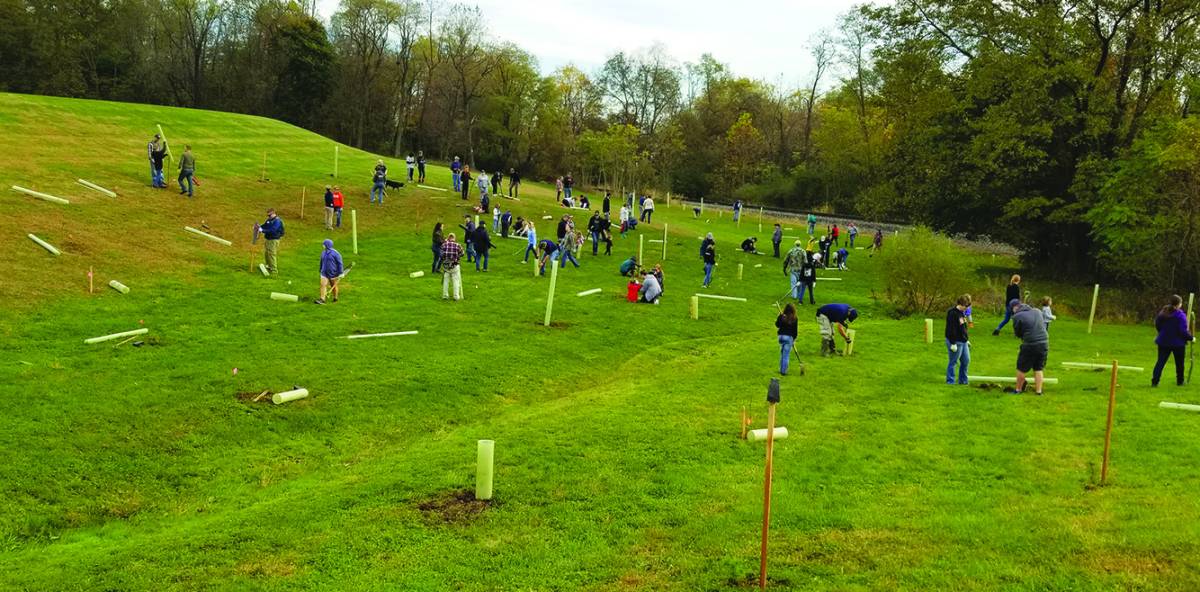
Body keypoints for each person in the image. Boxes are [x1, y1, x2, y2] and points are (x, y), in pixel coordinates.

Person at [1010, 298, 1049, 395]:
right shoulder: (1037, 311)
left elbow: (1017, 333)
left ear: (1015, 308)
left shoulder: (1017, 316)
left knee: (1021, 368)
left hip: (1030, 344)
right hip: (1044, 342)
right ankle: (1039, 392)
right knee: (1038, 368)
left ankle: (1018, 390)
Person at [1153, 295, 1193, 387]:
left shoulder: (1163, 312)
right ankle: (1180, 381)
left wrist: (1163, 332)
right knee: (1179, 363)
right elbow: (1183, 331)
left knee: (1160, 362)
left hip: (1163, 341)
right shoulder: (1180, 316)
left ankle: (1155, 381)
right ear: (1178, 304)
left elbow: (1157, 324)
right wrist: (1191, 338)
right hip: (1178, 343)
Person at [945, 294, 971, 385]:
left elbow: (963, 327)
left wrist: (966, 339)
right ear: (961, 304)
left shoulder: (962, 313)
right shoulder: (952, 313)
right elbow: (951, 329)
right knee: (953, 361)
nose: (967, 308)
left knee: (966, 360)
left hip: (963, 341)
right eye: (966, 306)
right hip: (955, 342)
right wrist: (952, 343)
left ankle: (963, 381)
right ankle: (950, 381)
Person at [315, 239, 343, 305]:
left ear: (327, 245)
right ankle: (322, 299)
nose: (323, 245)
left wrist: (341, 273)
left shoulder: (336, 253)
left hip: (333, 273)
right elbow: (321, 261)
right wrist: (320, 269)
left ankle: (335, 297)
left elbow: (340, 263)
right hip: (324, 272)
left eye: (324, 244)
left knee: (333, 285)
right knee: (323, 285)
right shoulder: (323, 252)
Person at [258, 208, 285, 274]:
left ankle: (274, 270)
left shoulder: (277, 221)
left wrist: (263, 230)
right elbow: (265, 225)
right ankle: (268, 266)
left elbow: (273, 230)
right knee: (267, 253)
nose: (268, 217)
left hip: (274, 240)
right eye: (268, 216)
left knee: (272, 254)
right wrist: (259, 227)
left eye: (269, 215)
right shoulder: (269, 220)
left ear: (273, 213)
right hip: (268, 239)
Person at [440, 233, 464, 301]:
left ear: (448, 238)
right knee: (456, 281)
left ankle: (445, 295)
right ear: (454, 238)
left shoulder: (444, 245)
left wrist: (445, 259)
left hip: (446, 267)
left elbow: (441, 254)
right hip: (455, 265)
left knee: (446, 281)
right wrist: (457, 257)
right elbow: (462, 253)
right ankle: (456, 296)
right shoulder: (458, 245)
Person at [776, 303, 798, 375]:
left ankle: (781, 369)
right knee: (786, 355)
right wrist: (793, 339)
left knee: (782, 354)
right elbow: (795, 331)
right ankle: (783, 371)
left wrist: (779, 317)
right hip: (788, 337)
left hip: (780, 337)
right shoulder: (794, 318)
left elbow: (777, 325)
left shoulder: (782, 316)